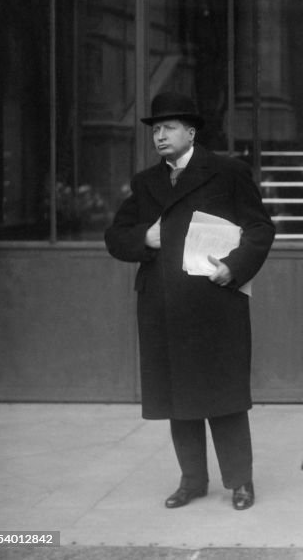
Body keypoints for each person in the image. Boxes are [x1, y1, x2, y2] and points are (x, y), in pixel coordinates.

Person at [105, 92, 275, 510]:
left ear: (191, 132)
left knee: (225, 395)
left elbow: (260, 228)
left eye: (168, 128)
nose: (159, 136)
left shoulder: (228, 172)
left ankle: (240, 482)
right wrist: (142, 238)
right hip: (163, 307)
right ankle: (192, 481)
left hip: (216, 303)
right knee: (178, 398)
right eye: (155, 130)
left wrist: (235, 267)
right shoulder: (147, 183)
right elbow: (115, 236)